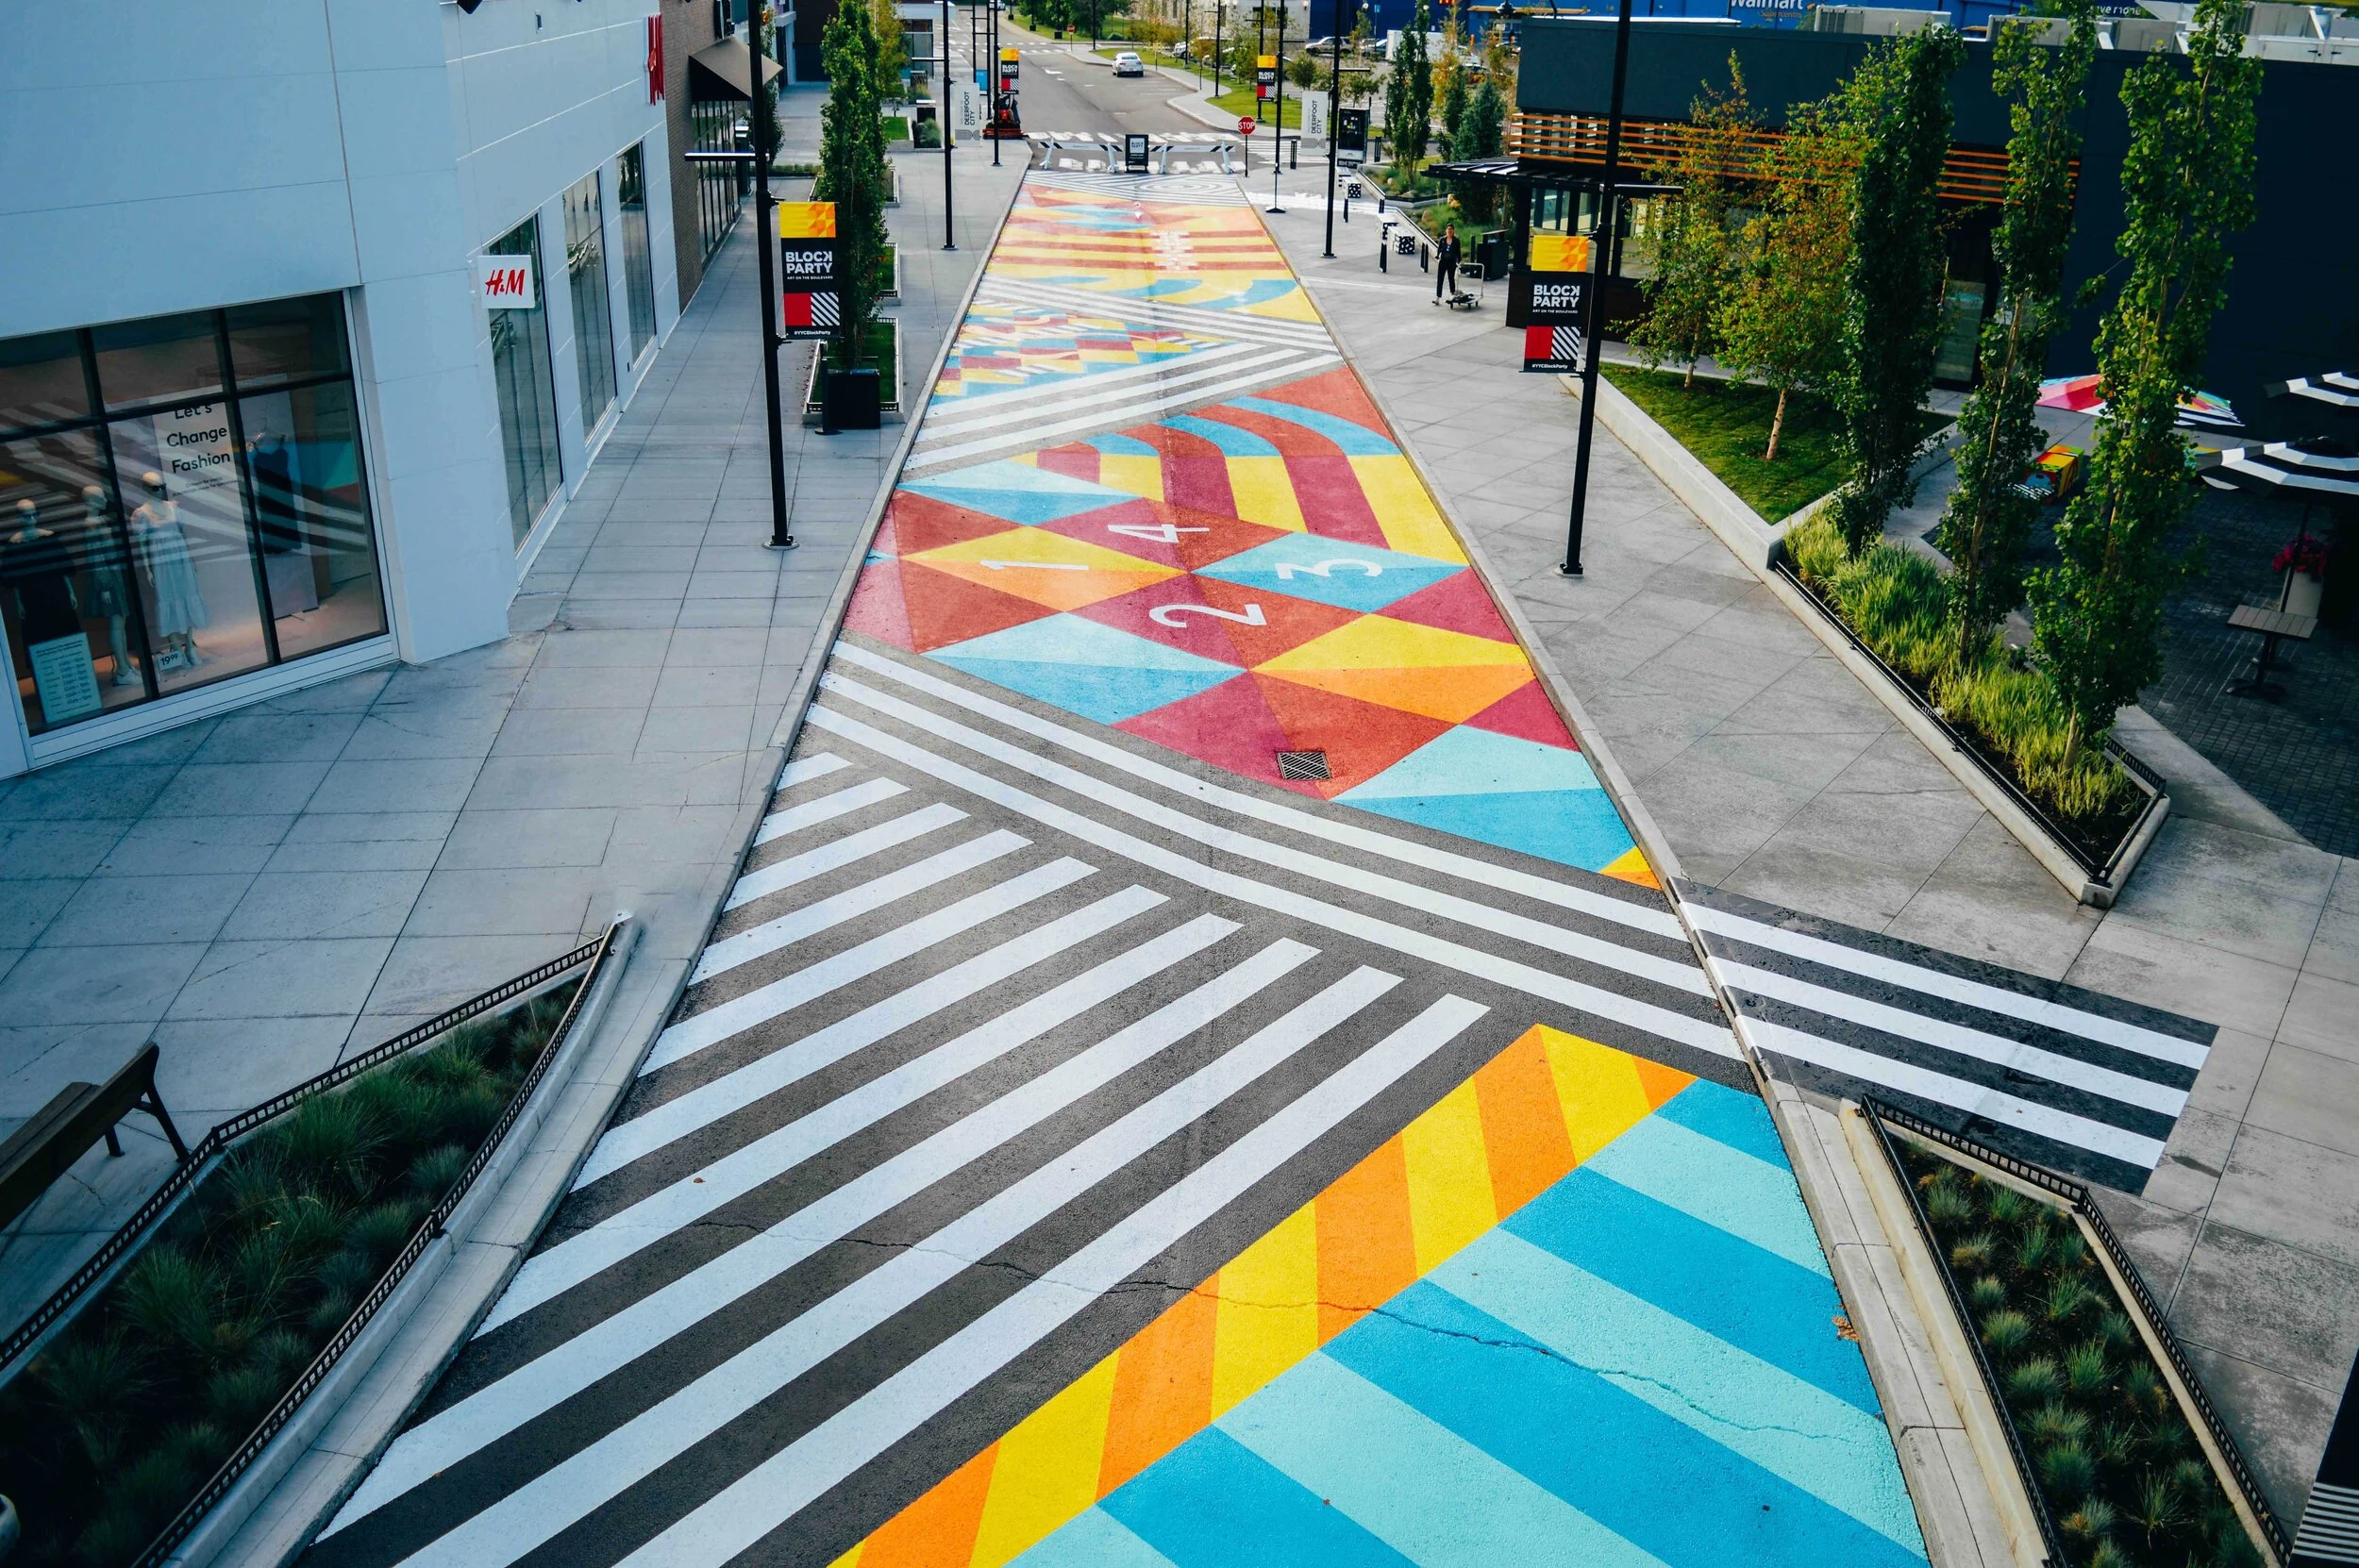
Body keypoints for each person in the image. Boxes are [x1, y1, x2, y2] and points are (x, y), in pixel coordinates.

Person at [1434, 229, 1461, 304]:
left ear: (1453, 231)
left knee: (1451, 278)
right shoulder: (1442, 239)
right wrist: (1438, 255)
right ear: (1446, 230)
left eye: (1451, 229)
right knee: (1440, 279)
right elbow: (1439, 249)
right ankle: (1438, 297)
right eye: (1448, 229)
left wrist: (1459, 260)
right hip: (1443, 261)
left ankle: (1452, 294)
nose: (1449, 231)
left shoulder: (1456, 240)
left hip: (1451, 262)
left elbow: (1458, 251)